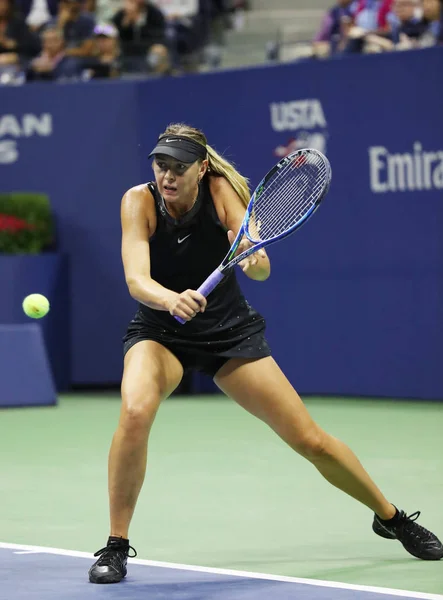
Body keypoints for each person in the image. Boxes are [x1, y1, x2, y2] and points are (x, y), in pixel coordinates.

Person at [88, 123, 443, 584]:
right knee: (135, 412)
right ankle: (116, 544)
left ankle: (390, 517)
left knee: (310, 440)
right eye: (161, 164)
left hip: (227, 333)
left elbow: (258, 262)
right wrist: (169, 299)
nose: (168, 176)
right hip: (161, 332)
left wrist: (255, 258)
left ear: (202, 168)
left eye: (179, 167)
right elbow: (137, 279)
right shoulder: (138, 200)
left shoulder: (219, 192)